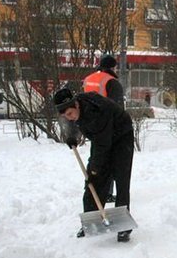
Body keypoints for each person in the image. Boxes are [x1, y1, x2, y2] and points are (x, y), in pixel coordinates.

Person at [53, 87, 135, 243]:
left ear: (76, 105)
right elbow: (72, 120)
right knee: (93, 181)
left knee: (121, 178)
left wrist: (94, 170)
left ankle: (123, 227)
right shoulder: (75, 110)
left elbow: (103, 147)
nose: (68, 118)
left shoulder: (96, 112)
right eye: (65, 116)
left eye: (70, 114)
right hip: (101, 138)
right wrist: (71, 136)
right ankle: (91, 222)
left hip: (121, 136)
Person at [83, 53, 125, 203]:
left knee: (95, 158)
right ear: (113, 67)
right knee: (110, 160)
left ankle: (91, 189)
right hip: (108, 127)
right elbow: (117, 109)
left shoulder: (88, 79)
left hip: (92, 127)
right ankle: (106, 192)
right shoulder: (112, 82)